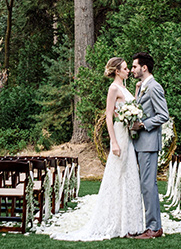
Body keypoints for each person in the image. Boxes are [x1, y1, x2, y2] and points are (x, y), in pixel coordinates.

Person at [45, 57, 145, 240]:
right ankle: (117, 222)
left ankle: (130, 222)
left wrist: (137, 91)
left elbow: (131, 108)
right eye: (125, 68)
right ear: (117, 71)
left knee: (129, 175)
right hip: (120, 136)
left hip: (128, 136)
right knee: (119, 176)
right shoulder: (113, 88)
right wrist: (113, 142)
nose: (128, 70)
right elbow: (109, 116)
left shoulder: (125, 88)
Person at [129, 52, 170, 239]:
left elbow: (163, 115)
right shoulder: (143, 86)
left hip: (148, 144)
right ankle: (149, 225)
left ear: (144, 68)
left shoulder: (154, 87)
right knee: (145, 185)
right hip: (140, 144)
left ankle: (154, 227)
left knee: (148, 186)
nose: (132, 70)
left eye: (134, 66)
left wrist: (143, 125)